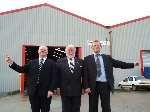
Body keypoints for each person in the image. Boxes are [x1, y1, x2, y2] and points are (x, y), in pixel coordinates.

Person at [83, 40, 139, 112]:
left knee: (106, 106)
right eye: (94, 45)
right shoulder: (87, 59)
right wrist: (86, 86)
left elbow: (119, 64)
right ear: (92, 47)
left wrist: (133, 64)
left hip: (105, 85)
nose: (96, 46)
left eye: (98, 45)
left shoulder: (107, 57)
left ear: (101, 47)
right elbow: (85, 74)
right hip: (93, 86)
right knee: (92, 106)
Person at [5, 46, 57, 112]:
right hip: (33, 92)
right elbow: (21, 69)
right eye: (41, 49)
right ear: (38, 51)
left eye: (45, 50)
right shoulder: (32, 62)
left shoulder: (52, 63)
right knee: (34, 109)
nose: (43, 50)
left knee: (45, 109)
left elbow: (54, 78)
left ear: (47, 52)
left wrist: (51, 90)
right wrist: (11, 62)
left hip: (46, 92)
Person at [56, 44, 83, 112]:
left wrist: (84, 87)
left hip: (77, 90)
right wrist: (57, 87)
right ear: (65, 51)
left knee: (76, 109)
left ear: (75, 51)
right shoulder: (59, 61)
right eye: (69, 50)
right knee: (65, 109)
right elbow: (57, 76)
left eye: (72, 50)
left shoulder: (81, 61)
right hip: (64, 90)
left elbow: (84, 76)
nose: (70, 51)